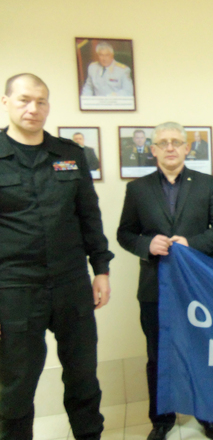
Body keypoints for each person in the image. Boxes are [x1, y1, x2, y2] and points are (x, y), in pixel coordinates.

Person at [0, 73, 113, 440]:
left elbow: (89, 215)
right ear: (6, 102)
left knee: (83, 376)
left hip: (71, 282)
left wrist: (101, 269)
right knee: (16, 384)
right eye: (24, 100)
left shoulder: (69, 154)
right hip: (15, 287)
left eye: (41, 101)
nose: (33, 108)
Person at [117, 122, 213, 440]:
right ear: (153, 150)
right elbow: (124, 233)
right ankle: (162, 419)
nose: (170, 147)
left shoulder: (207, 184)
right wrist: (146, 244)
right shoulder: (137, 189)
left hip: (198, 286)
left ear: (186, 148)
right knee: (158, 355)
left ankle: (206, 413)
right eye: (163, 142)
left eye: (176, 142)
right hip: (155, 288)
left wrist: (191, 243)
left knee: (202, 351)